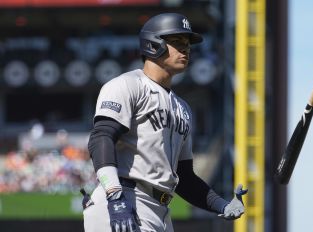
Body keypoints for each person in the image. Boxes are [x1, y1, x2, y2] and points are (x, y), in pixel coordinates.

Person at [82, 13, 247, 232]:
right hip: (125, 198)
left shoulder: (183, 109)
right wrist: (115, 196)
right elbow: (101, 138)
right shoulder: (127, 85)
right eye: (178, 42)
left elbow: (185, 177)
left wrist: (222, 205)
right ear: (153, 44)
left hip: (160, 210)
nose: (186, 49)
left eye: (188, 44)